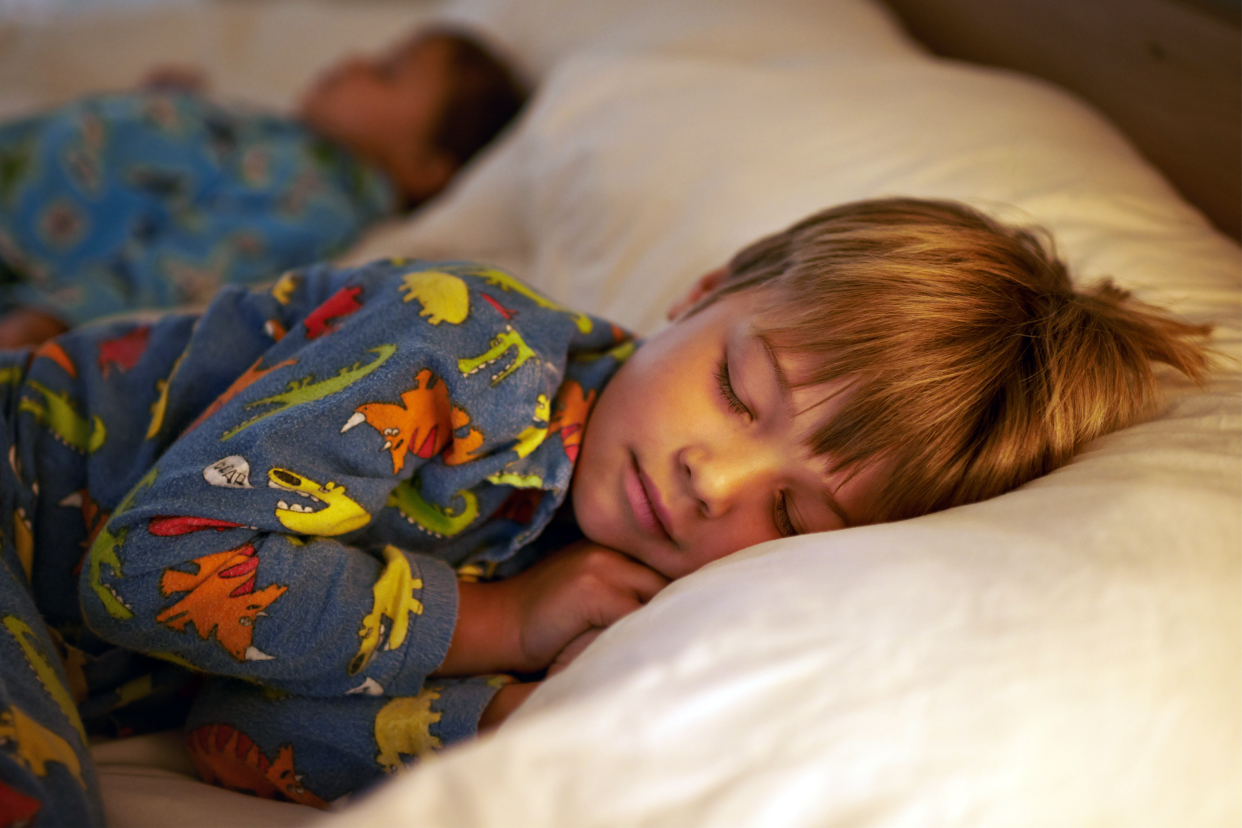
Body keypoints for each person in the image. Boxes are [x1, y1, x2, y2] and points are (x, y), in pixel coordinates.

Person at [0, 198, 1211, 823]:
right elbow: (154, 574)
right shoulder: (465, 349)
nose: (712, 482)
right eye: (742, 389)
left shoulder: (593, 565)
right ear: (701, 290)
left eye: (792, 520)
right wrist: (492, 626)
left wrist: (502, 716)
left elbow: (234, 727)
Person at [0, 27, 528, 348]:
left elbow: (188, 263)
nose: (354, 61)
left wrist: (53, 316)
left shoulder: (315, 199)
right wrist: (171, 113)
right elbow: (200, 170)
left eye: (387, 72)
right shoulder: (302, 149)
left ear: (422, 167)